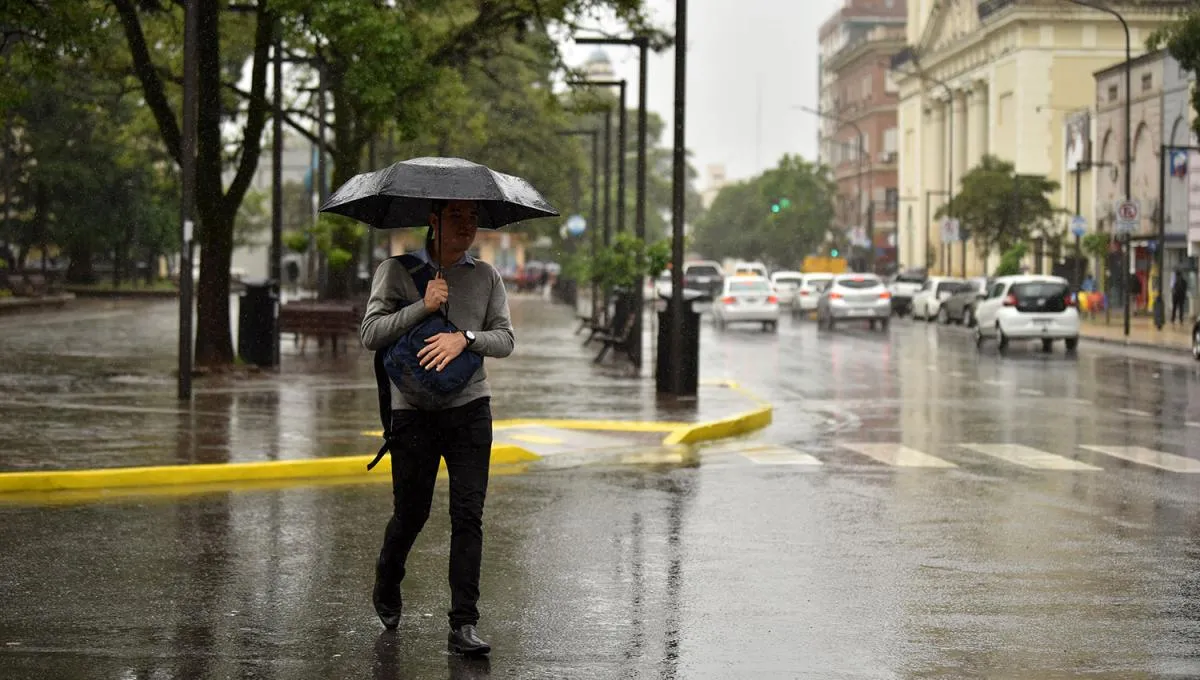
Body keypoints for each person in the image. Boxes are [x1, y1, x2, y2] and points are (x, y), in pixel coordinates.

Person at [359, 199, 514, 656]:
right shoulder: (396, 271)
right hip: (413, 412)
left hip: (470, 409)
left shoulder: (486, 276)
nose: (469, 226)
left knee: (468, 515)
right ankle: (388, 576)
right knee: (412, 513)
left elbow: (505, 338)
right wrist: (423, 307)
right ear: (434, 221)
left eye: (473, 218)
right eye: (458, 217)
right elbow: (370, 334)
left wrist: (464, 337)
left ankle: (463, 624)